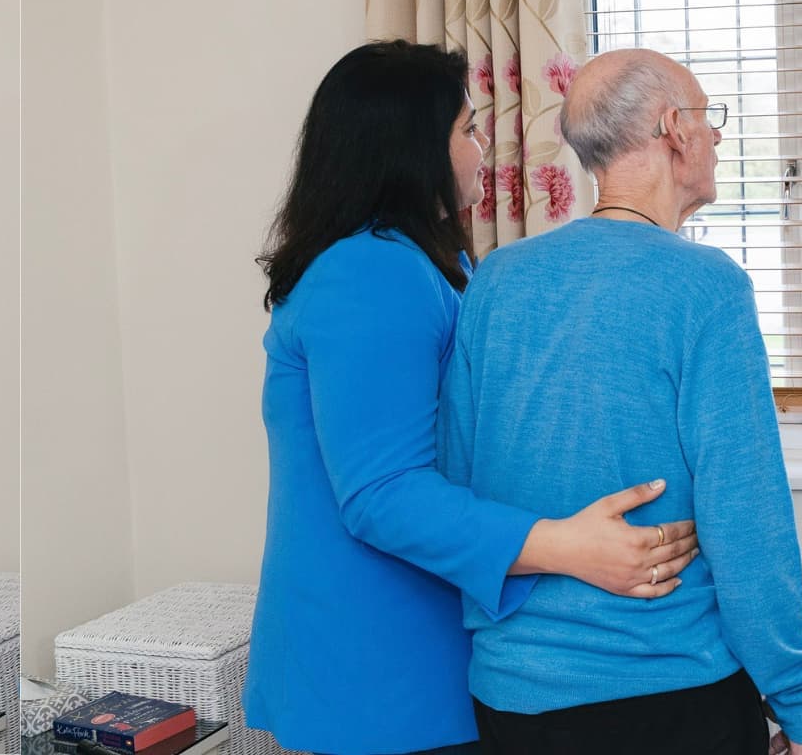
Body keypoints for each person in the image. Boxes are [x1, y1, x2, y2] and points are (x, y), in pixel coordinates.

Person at [243, 40, 700, 755]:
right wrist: (568, 547)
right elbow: (382, 493)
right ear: (411, 148)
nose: (484, 148)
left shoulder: (430, 263)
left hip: (418, 644)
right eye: (468, 129)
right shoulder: (369, 273)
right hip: (380, 660)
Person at [437, 47, 802, 755]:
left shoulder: (498, 280)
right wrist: (796, 695)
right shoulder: (706, 288)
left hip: (511, 699)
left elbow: (456, 486)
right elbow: (746, 518)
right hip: (666, 695)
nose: (716, 137)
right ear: (675, 128)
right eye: (711, 119)